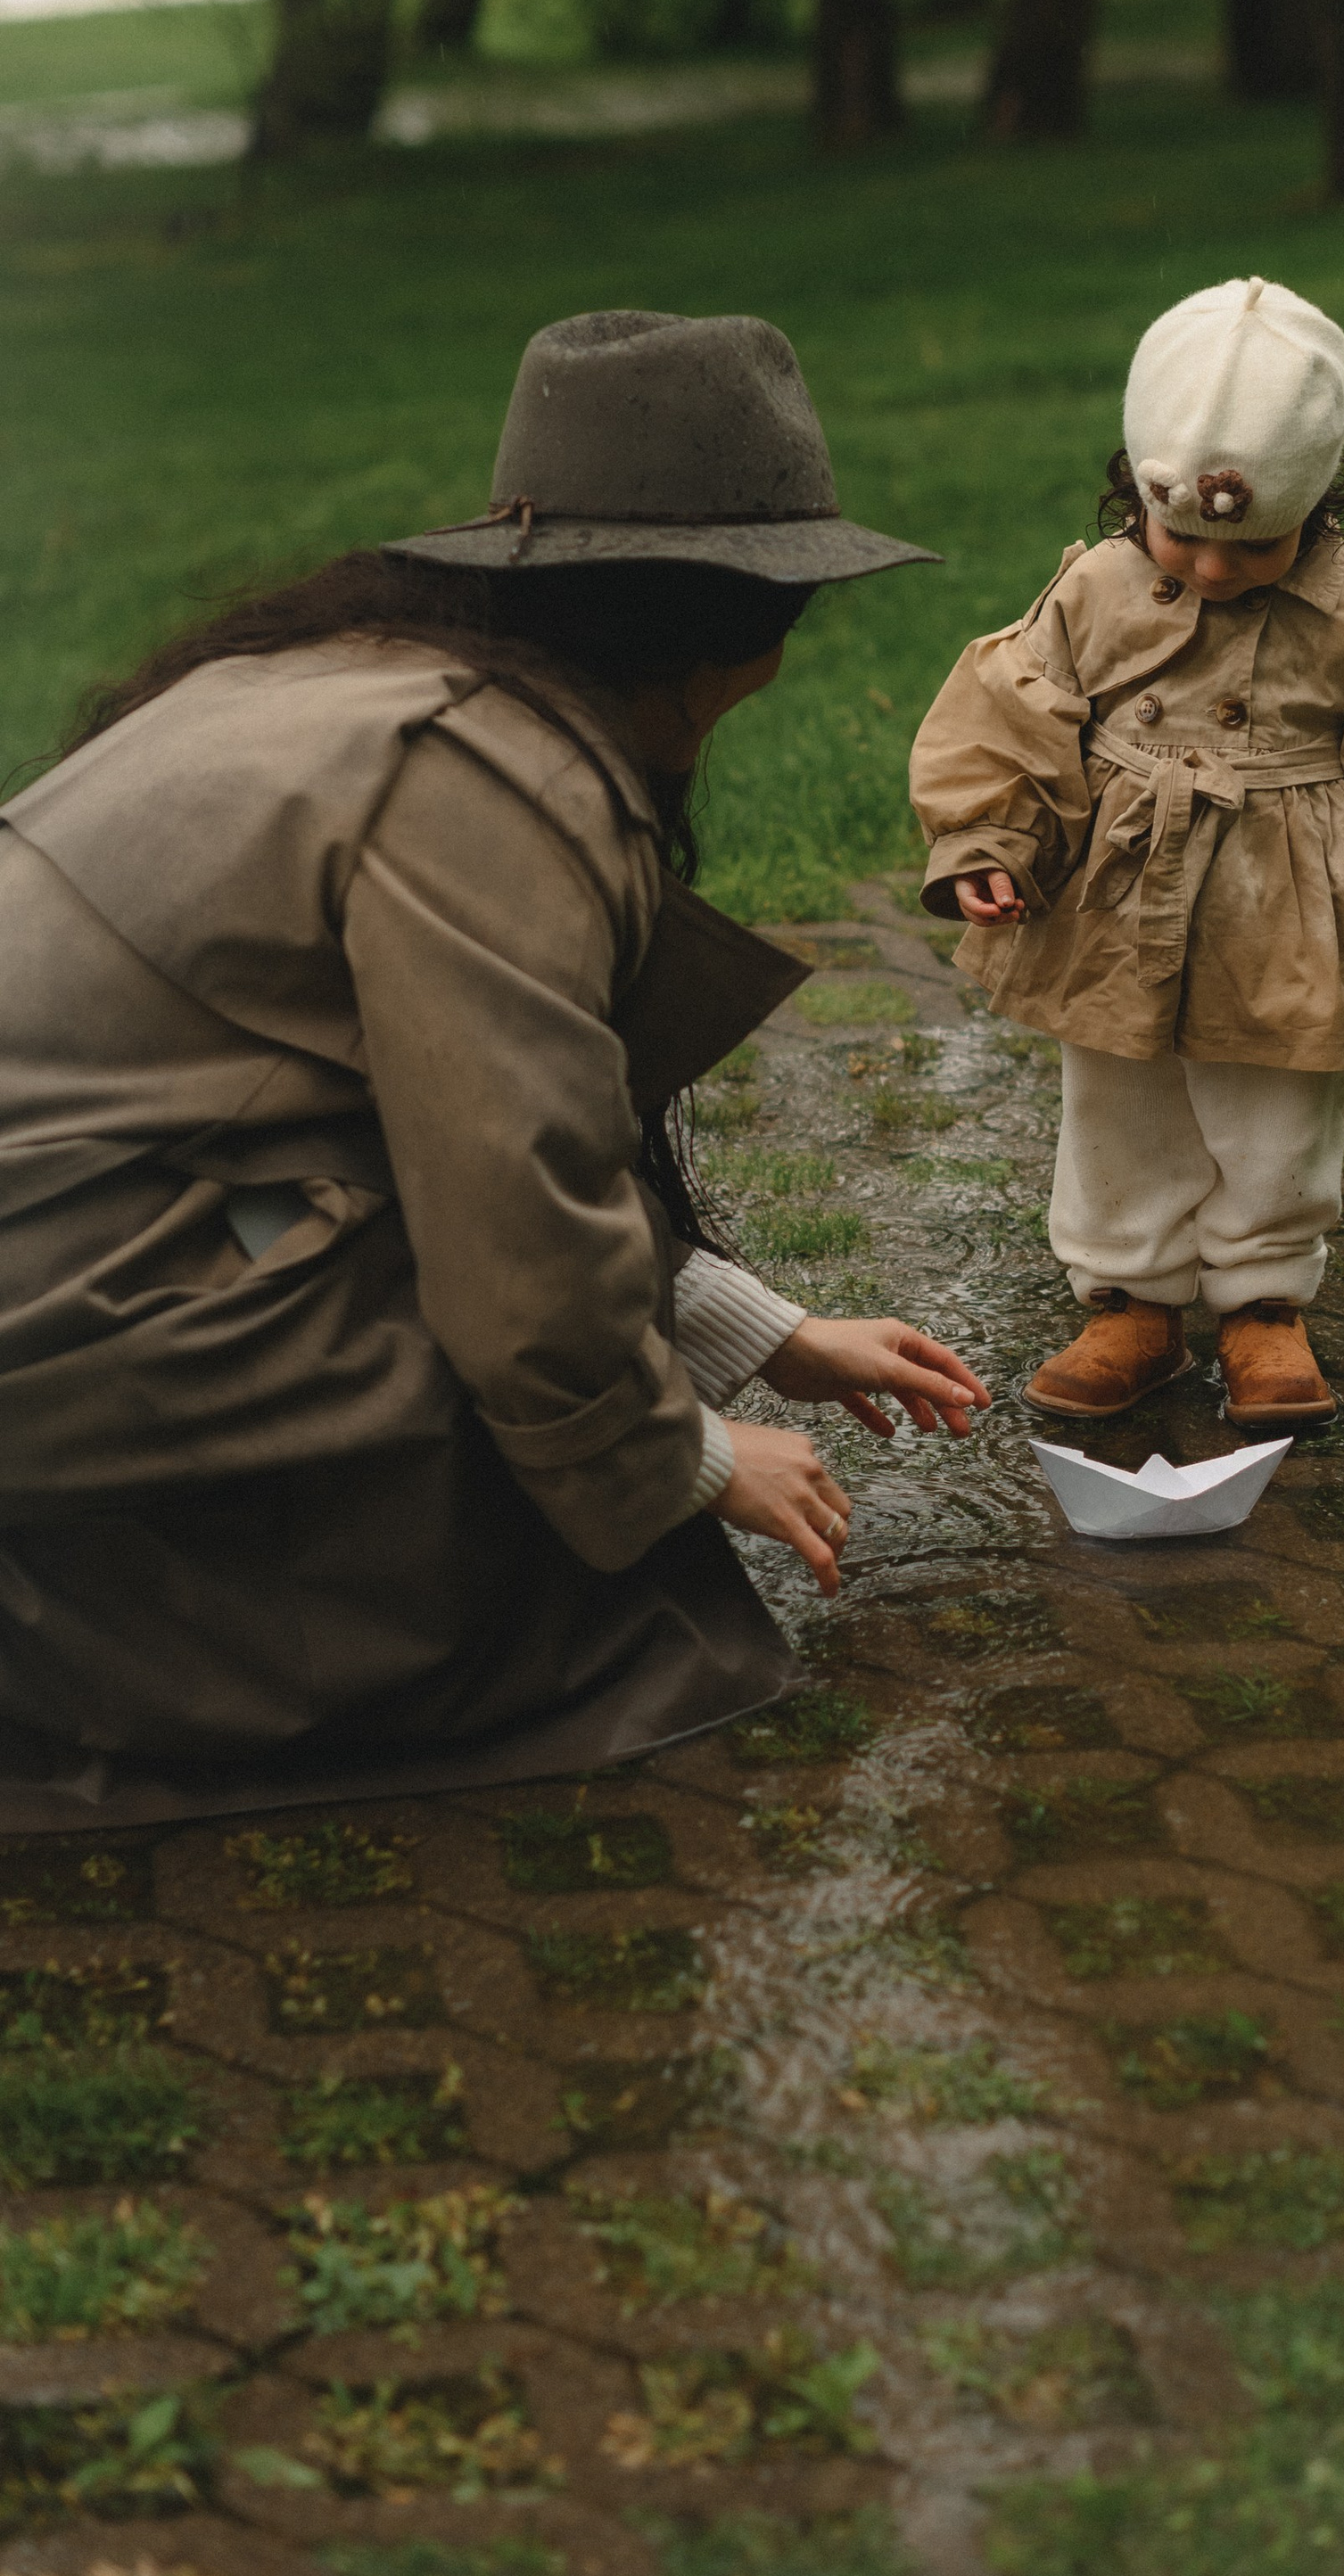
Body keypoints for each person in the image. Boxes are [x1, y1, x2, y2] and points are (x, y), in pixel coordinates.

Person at [0, 308, 989, 1834]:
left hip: (68, 1251)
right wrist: (690, 1456)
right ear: (729, 628)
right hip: (61, 1317)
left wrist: (760, 1330)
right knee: (576, 1540)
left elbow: (460, 1119)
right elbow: (510, 1205)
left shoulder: (364, 677)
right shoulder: (485, 779)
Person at [909, 274, 1344, 1432]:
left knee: (1275, 1102)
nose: (1210, 571)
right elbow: (1014, 711)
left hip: (1285, 897)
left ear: (1314, 505)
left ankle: (1262, 1304)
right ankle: (1130, 1300)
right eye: (1182, 540)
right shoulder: (1093, 588)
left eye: (1250, 548)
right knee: (1119, 1093)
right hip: (1117, 896)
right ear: (1136, 493)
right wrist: (987, 835)